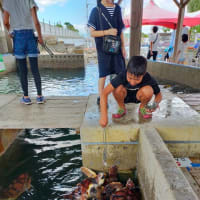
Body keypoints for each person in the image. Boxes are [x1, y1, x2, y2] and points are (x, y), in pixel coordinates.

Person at [99, 56, 162, 128]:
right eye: (129, 77)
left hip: (139, 97)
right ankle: (122, 108)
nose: (132, 82)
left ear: (144, 74)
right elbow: (104, 93)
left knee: (148, 90)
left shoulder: (148, 78)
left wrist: (155, 104)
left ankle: (142, 108)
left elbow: (159, 94)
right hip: (124, 96)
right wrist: (103, 116)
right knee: (117, 88)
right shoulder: (122, 75)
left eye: (137, 79)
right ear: (127, 70)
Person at [3, 0, 45, 105]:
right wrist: (40, 37)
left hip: (18, 37)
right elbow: (36, 22)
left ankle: (26, 97)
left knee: (22, 70)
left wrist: (10, 31)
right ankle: (39, 97)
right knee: (35, 68)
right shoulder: (29, 1)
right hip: (30, 35)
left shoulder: (8, 2)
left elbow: (5, 22)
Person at [88, 0, 126, 105]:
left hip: (117, 47)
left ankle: (119, 97)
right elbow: (92, 33)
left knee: (119, 72)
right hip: (103, 49)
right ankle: (102, 97)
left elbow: (121, 30)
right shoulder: (96, 10)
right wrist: (107, 32)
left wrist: (123, 47)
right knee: (103, 74)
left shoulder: (117, 9)